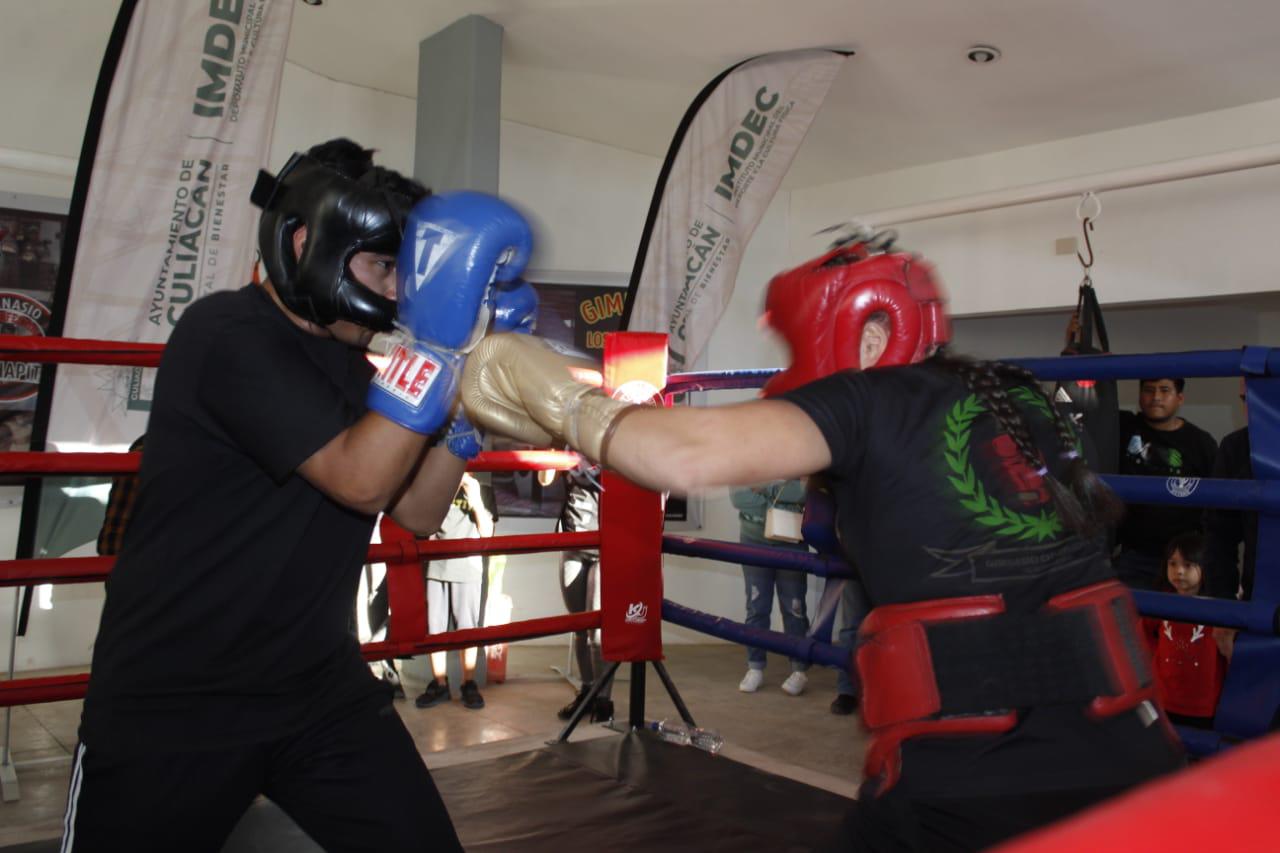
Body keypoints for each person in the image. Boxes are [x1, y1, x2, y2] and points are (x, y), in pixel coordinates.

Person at [460, 235, 1184, 851]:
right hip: (1134, 755)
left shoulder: (868, 397)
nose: (794, 360)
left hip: (971, 782)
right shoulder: (1019, 394)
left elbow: (684, 458)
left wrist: (564, 402)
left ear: (869, 332)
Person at [64, 138, 534, 852]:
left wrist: (466, 419)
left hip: (318, 692)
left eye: (403, 275)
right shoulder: (226, 334)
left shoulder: (358, 364)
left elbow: (417, 510)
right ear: (308, 240)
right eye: (382, 267)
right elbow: (360, 477)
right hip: (175, 702)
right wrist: (439, 352)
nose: (394, 295)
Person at [1114, 378, 1217, 591]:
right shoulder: (1122, 427)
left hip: (1184, 558)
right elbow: (1088, 406)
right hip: (1135, 554)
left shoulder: (1200, 442)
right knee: (1134, 619)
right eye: (1149, 390)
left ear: (1180, 398)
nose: (1156, 397)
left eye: (1164, 390)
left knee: (1182, 621)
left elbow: (1217, 502)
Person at [416, 472, 494, 710]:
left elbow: (487, 532)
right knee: (435, 628)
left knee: (467, 629)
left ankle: (468, 683)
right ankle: (439, 684)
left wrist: (475, 496)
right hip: (436, 564)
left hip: (467, 566)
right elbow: (423, 527)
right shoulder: (436, 482)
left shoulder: (482, 487)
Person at [729, 479, 812, 696]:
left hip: (792, 537)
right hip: (753, 539)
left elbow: (803, 492)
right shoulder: (745, 454)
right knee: (757, 606)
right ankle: (755, 666)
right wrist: (782, 493)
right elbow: (739, 498)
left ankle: (799, 669)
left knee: (794, 607)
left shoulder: (795, 452)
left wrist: (765, 488)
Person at [546, 466, 615, 722]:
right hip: (572, 539)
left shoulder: (608, 438)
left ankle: (604, 701)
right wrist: (554, 457)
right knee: (579, 625)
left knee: (598, 633)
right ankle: (587, 691)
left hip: (605, 542)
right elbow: (544, 479)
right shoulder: (568, 437)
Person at [1143, 533, 1227, 730]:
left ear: (1205, 567)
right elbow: (1142, 632)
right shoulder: (1161, 601)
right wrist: (1156, 657)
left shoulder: (1219, 607)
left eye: (1188, 565)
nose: (1179, 571)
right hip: (1164, 699)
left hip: (1203, 704)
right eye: (1172, 564)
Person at [1203, 379, 1255, 600]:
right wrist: (1223, 607)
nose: (1251, 409)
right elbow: (1219, 535)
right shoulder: (1236, 448)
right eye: (1245, 399)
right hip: (1261, 598)